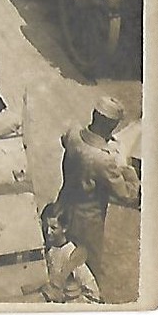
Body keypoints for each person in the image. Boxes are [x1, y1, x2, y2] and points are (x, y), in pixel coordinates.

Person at [54, 96, 140, 282]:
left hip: (63, 204)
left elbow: (66, 141)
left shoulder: (73, 133)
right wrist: (128, 169)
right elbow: (128, 195)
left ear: (94, 114)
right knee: (87, 264)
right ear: (111, 126)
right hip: (87, 221)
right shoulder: (104, 160)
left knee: (60, 251)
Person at [40, 203, 102, 304]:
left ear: (64, 228)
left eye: (53, 228)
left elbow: (94, 293)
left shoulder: (72, 254)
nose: (48, 232)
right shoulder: (49, 252)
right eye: (46, 226)